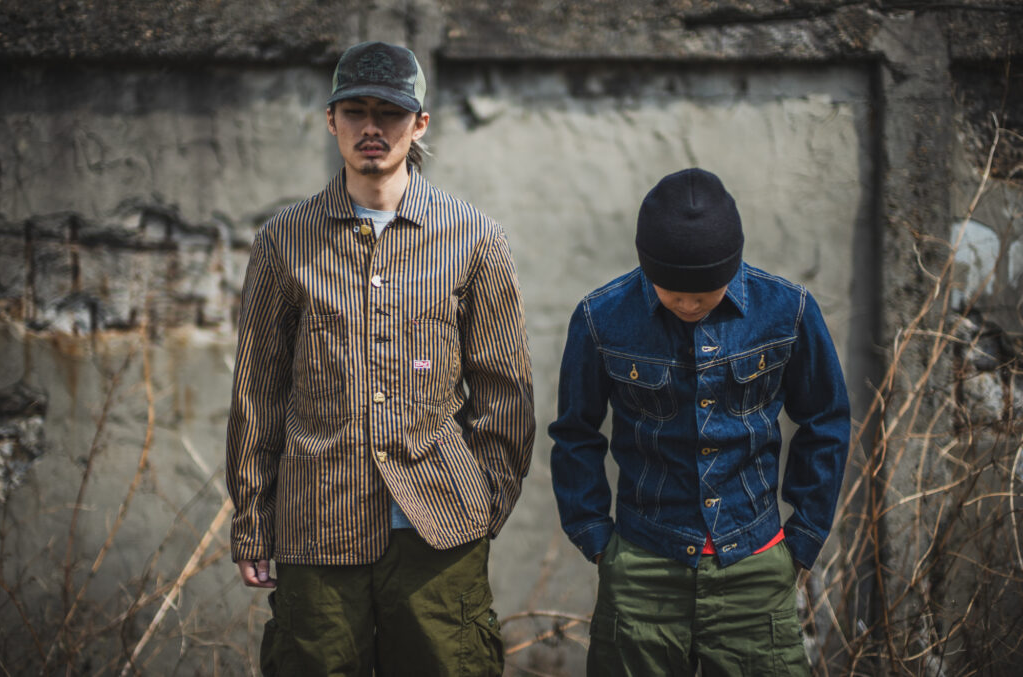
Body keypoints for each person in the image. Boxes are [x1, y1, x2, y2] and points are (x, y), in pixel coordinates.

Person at [226, 40, 535, 676]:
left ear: (419, 123)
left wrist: (484, 501)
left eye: (390, 112)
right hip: (317, 526)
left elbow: (505, 388)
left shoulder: (474, 238)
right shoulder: (285, 241)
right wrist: (254, 521)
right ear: (331, 120)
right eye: (356, 111)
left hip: (437, 529)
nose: (372, 128)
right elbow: (258, 391)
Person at [549, 168, 850, 676]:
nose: (688, 304)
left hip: (755, 563)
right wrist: (596, 539)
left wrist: (803, 539)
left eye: (705, 293)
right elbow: (575, 432)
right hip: (643, 565)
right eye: (672, 292)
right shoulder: (602, 318)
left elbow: (826, 420)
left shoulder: (788, 311)